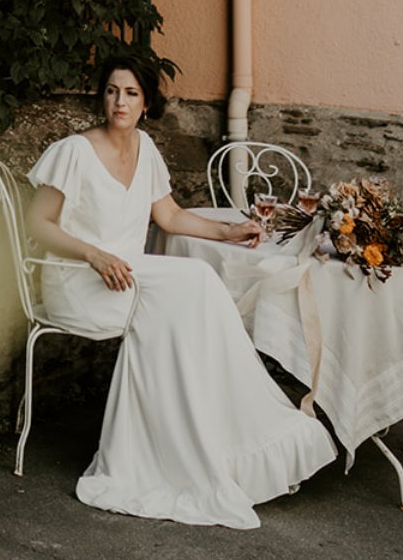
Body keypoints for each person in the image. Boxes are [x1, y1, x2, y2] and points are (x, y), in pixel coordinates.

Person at [27, 55, 335, 529]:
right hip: (81, 280)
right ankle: (168, 456)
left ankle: (225, 445)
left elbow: (169, 217)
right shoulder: (74, 151)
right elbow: (38, 223)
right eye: (111, 91)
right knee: (192, 286)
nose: (119, 102)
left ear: (146, 102)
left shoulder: (145, 148)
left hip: (130, 275)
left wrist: (228, 233)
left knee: (197, 289)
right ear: (101, 96)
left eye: (130, 93)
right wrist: (93, 254)